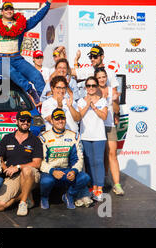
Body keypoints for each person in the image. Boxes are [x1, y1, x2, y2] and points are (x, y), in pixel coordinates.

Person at [0, 111, 43, 216]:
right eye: (22, 120)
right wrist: (5, 168)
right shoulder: (7, 138)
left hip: (31, 175)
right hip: (13, 176)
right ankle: (24, 196)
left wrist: (18, 167)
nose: (25, 123)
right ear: (16, 122)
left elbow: (37, 163)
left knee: (27, 169)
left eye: (28, 121)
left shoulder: (35, 140)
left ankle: (23, 203)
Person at [39, 108, 91, 209]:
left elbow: (80, 158)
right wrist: (52, 171)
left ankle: (69, 195)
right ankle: (44, 197)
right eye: (57, 119)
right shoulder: (44, 137)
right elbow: (40, 161)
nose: (60, 121)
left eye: (62, 118)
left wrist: (74, 171)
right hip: (50, 172)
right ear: (52, 121)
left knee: (85, 177)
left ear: (65, 120)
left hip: (67, 171)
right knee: (46, 182)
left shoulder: (74, 136)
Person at [77, 76, 108, 202]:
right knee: (89, 163)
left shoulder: (103, 101)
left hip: (99, 136)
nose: (91, 88)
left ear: (97, 87)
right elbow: (79, 116)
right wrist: (87, 105)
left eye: (93, 85)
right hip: (85, 135)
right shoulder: (80, 101)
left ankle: (99, 188)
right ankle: (92, 187)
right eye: (88, 86)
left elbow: (104, 116)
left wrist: (94, 107)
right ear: (85, 87)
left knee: (99, 161)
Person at [95, 68, 124, 196]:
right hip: (96, 127)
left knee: (112, 153)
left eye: (103, 77)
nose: (102, 79)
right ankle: (98, 183)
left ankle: (117, 184)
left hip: (109, 125)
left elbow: (117, 109)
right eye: (99, 77)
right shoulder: (92, 90)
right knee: (99, 156)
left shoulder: (113, 91)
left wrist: (114, 100)